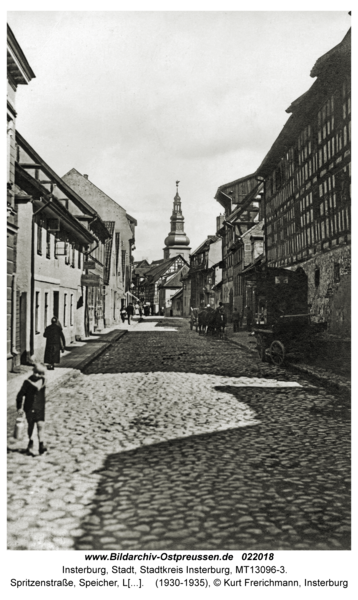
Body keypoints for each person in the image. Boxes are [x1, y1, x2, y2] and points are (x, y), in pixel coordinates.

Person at [16, 363, 47, 455]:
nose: (37, 375)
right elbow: (20, 395)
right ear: (33, 371)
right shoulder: (27, 382)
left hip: (40, 408)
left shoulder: (43, 380)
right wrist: (19, 407)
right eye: (36, 372)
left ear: (43, 374)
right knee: (31, 426)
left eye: (40, 373)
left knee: (41, 425)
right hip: (30, 408)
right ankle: (31, 442)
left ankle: (41, 444)